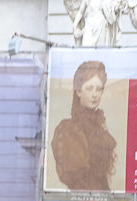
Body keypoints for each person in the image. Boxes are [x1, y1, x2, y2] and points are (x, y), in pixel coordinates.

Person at [50, 60, 117, 192]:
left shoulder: (100, 126)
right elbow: (73, 176)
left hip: (103, 197)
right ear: (79, 92)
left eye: (99, 89)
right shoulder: (68, 129)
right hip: (83, 200)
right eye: (89, 88)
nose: (94, 95)